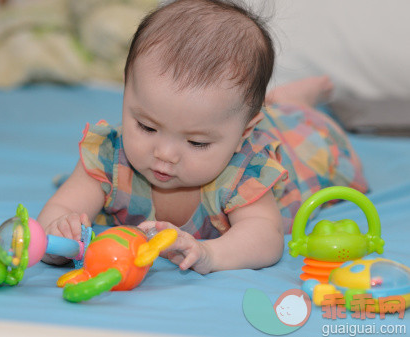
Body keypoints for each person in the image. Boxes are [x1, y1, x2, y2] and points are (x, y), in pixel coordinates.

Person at [37, 0, 367, 274]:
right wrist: (57, 238)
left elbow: (266, 237)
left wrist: (211, 254)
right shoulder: (109, 158)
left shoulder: (243, 173)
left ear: (243, 134)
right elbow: (59, 209)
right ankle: (276, 102)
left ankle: (291, 103)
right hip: (236, 119)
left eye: (196, 143)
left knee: (304, 132)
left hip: (301, 140)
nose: (164, 153)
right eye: (147, 127)